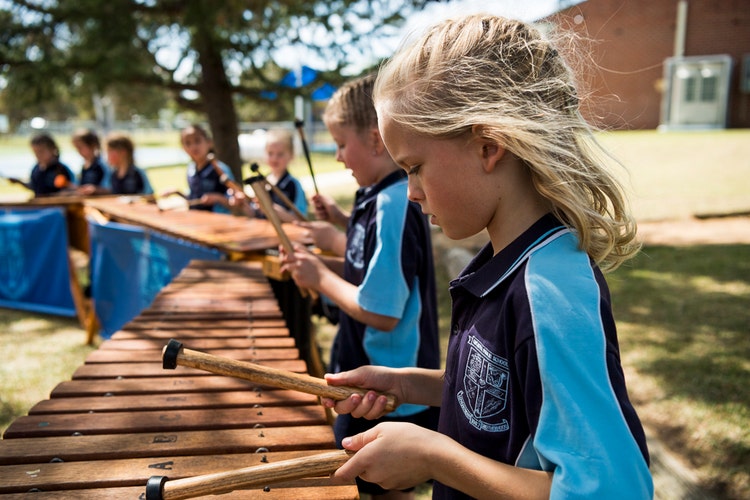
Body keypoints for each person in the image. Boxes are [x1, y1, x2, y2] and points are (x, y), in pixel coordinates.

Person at [320, 14, 654, 499]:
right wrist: (408, 386)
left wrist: (434, 455)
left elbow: (610, 489)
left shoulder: (552, 291)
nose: (410, 192)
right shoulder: (504, 263)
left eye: (414, 167)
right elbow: (507, 403)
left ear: (489, 146)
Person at [281, 74, 441, 499]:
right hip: (370, 375)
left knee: (380, 489)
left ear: (374, 140)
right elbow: (366, 265)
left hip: (389, 384)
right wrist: (333, 234)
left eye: (340, 143)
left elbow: (382, 310)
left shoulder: (394, 204)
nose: (336, 156)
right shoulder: (375, 196)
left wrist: (321, 278)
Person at [161, 124, 236, 213]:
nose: (193, 147)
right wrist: (177, 192)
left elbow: (236, 203)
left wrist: (217, 198)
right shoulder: (190, 170)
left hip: (219, 220)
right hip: (195, 219)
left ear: (209, 142)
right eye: (188, 143)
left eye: (197, 141)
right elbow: (194, 200)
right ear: (183, 148)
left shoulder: (220, 169)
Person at [257, 128, 308, 222]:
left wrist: (274, 210)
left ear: (291, 155)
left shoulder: (294, 185)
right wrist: (244, 206)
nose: (274, 158)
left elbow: (301, 220)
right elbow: (256, 214)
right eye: (270, 153)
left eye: (280, 154)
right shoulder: (262, 182)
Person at [71, 128, 111, 195]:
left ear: (92, 145)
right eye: (76, 148)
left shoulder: (103, 165)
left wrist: (96, 190)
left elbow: (111, 189)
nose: (78, 151)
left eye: (80, 147)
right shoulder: (84, 166)